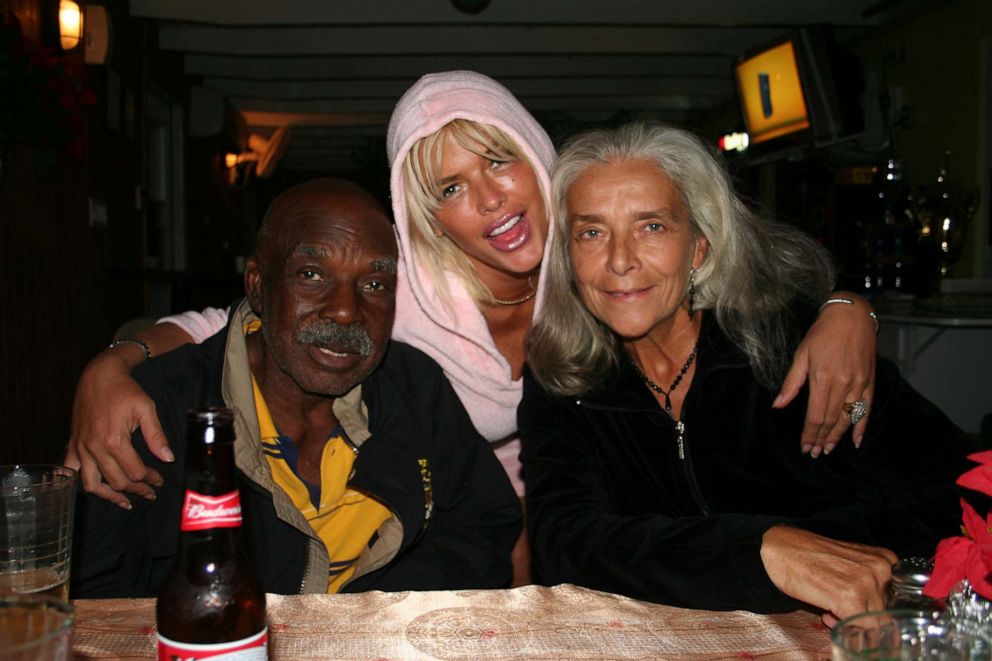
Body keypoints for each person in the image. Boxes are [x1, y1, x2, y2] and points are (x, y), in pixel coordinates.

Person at [68, 72, 878, 584]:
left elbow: (745, 268)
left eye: (498, 160)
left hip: (616, 519)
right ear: (429, 221)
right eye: (451, 188)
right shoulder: (397, 302)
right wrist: (115, 364)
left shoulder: (602, 257)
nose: (489, 200)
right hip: (498, 528)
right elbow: (238, 322)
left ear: (536, 156)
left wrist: (849, 308)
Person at [519, 122, 974, 625]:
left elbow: (964, 491)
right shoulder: (563, 378)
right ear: (569, 256)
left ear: (699, 247)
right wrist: (762, 551)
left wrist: (823, 544)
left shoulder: (793, 344)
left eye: (652, 226)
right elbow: (565, 541)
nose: (620, 260)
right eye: (592, 232)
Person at [71, 179, 521, 597]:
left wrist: (366, 622)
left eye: (374, 283)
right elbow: (94, 598)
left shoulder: (414, 388)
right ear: (259, 286)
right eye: (312, 275)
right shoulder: (158, 414)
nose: (346, 310)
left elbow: (483, 526)